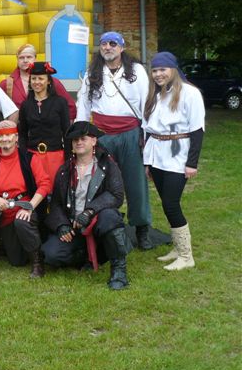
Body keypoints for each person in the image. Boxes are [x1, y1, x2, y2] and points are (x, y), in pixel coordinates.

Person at [76, 31, 153, 250]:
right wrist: (81, 132)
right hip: (102, 135)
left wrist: (146, 136)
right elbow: (84, 103)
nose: (107, 47)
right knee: (99, 182)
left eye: (112, 43)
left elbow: (146, 103)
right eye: (103, 44)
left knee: (135, 183)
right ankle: (103, 226)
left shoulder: (136, 71)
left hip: (129, 133)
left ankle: (142, 229)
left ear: (121, 47)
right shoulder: (93, 72)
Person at [42, 121, 131, 290]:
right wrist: (61, 225)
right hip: (74, 227)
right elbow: (56, 204)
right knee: (51, 254)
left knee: (110, 217)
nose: (79, 142)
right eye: (75, 140)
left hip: (99, 225)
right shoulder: (65, 170)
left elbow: (116, 195)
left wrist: (90, 211)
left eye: (83, 138)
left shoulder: (107, 165)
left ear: (94, 141)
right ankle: (87, 255)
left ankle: (119, 270)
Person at [143, 52, 205, 271]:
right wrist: (148, 162)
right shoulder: (155, 94)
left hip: (178, 155)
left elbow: (197, 130)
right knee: (166, 203)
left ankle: (186, 256)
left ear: (173, 69)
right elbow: (149, 130)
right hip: (157, 154)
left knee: (171, 203)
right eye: (155, 70)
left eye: (163, 69)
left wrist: (192, 163)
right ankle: (178, 249)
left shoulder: (190, 93)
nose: (158, 74)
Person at [0, 121, 50, 277]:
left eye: (9, 135)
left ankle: (37, 262)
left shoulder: (29, 157)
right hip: (5, 212)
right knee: (17, 261)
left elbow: (45, 184)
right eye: (1, 136)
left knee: (22, 220)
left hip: (26, 207)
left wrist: (30, 206)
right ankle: (12, 245)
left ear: (16, 137)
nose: (5, 139)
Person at [18, 61, 70, 190]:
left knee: (56, 191)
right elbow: (22, 134)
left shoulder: (60, 102)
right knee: (35, 190)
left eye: (41, 78)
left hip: (55, 156)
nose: (37, 82)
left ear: (48, 81)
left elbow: (67, 132)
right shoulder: (25, 105)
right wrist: (24, 156)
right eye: (34, 79)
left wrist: (68, 159)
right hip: (33, 156)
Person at [0, 43, 76, 120]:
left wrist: (67, 127)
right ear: (17, 60)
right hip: (18, 127)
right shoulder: (7, 84)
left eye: (29, 57)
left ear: (35, 59)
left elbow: (70, 107)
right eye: (21, 58)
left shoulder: (52, 82)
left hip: (48, 126)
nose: (25, 60)